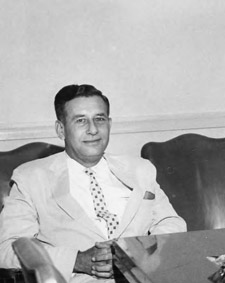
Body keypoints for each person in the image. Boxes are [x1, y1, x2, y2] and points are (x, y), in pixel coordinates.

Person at [0, 84, 186, 282]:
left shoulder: (140, 169)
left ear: (109, 124)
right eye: (81, 121)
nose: (93, 130)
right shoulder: (30, 177)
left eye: (100, 119)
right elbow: (7, 249)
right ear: (61, 129)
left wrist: (143, 250)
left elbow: (170, 222)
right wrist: (77, 260)